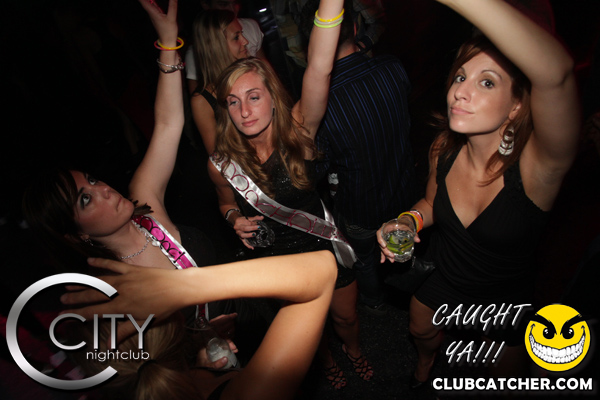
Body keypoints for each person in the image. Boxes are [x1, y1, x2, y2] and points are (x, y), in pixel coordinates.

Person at [21, 0, 257, 368]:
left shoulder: (146, 207)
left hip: (255, 310)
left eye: (93, 181)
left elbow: (167, 124)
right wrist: (197, 355)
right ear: (76, 233)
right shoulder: (113, 289)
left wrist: (168, 42)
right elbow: (144, 366)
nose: (104, 189)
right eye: (86, 199)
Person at [377, 0, 579, 387]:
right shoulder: (444, 149)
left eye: (487, 82)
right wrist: (406, 221)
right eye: (460, 77)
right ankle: (425, 365)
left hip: (503, 296)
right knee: (420, 329)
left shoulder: (538, 170)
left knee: (505, 379)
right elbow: (430, 204)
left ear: (516, 105)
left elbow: (557, 74)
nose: (460, 92)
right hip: (447, 276)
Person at [207, 0, 372, 389]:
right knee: (307, 328)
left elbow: (319, 67)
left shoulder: (300, 131)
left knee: (345, 316)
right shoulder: (220, 164)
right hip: (277, 259)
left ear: (272, 96)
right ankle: (325, 360)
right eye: (233, 102)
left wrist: (331, 4)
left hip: (322, 244)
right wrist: (234, 219)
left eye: (253, 96)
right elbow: (225, 203)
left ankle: (354, 349)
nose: (244, 111)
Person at [61, 251, 337, 400]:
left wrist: (198, 366)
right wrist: (180, 287)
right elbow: (322, 271)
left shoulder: (175, 379)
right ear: (173, 320)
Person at [308, 0, 414, 315]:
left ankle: (374, 302)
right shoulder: (392, 67)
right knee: (403, 247)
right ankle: (410, 288)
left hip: (360, 207)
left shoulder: (321, 105)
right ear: (355, 28)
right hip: (406, 193)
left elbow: (318, 169)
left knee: (365, 260)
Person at [188, 9, 251, 154]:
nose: (245, 41)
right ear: (216, 46)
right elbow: (219, 159)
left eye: (242, 34)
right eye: (236, 37)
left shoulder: (255, 73)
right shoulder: (203, 101)